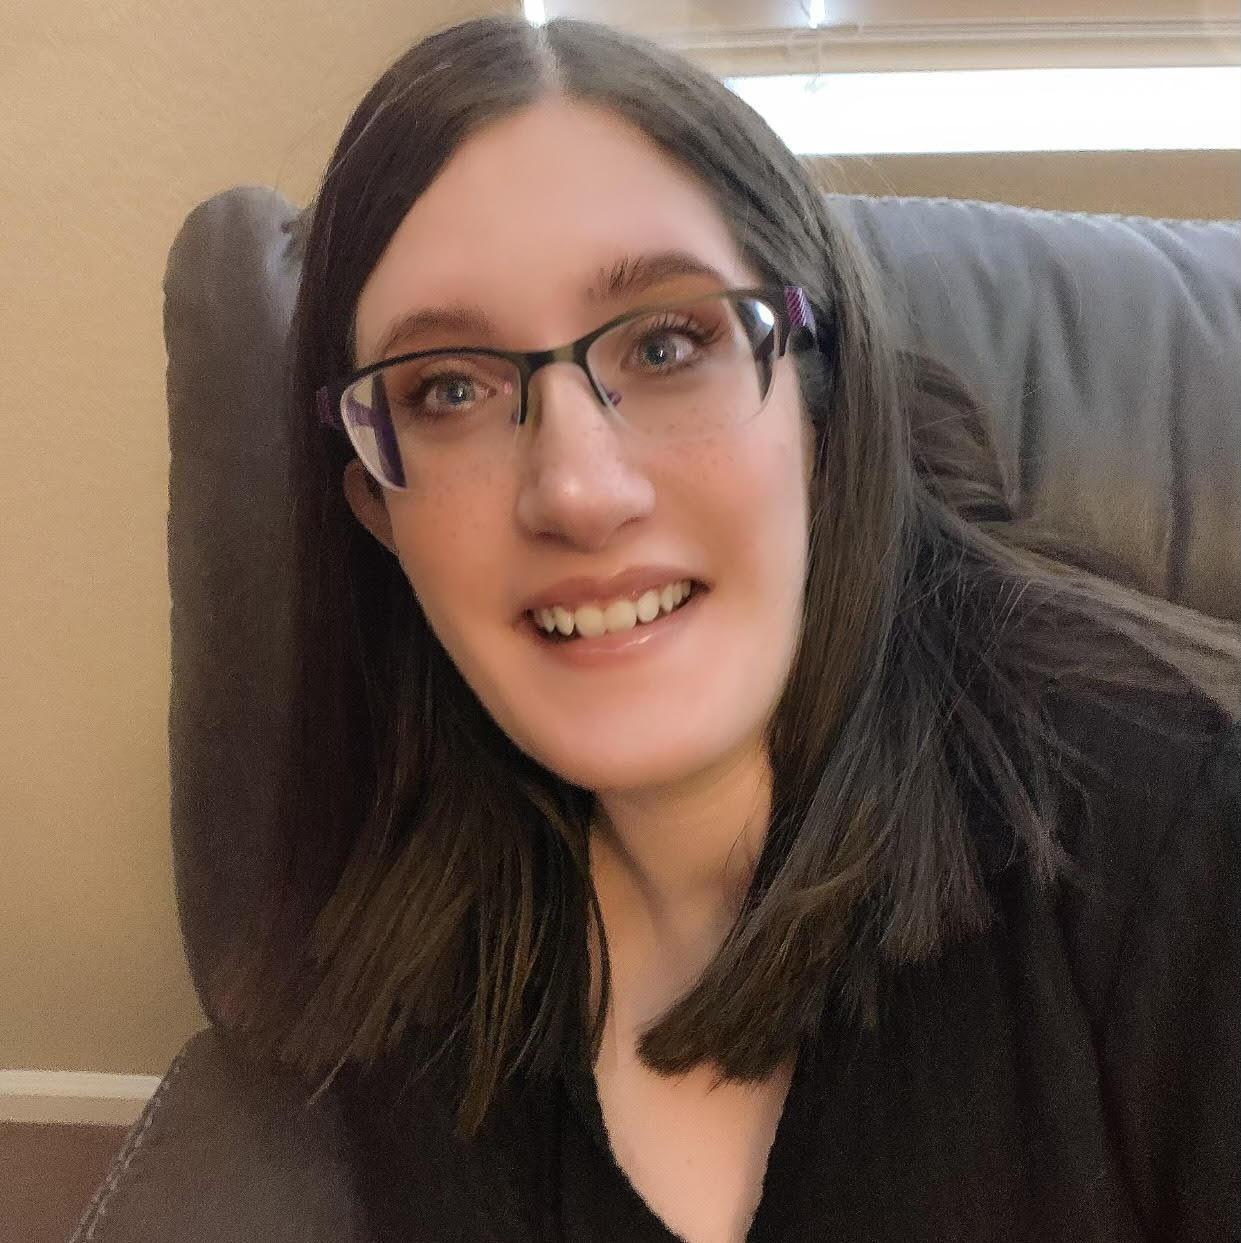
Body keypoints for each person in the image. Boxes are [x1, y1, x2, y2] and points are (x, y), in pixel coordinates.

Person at [209, 15, 1241, 1243]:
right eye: (449, 389)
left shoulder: (1184, 851)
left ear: (820, 398)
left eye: (666, 343)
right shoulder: (406, 970)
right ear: (378, 513)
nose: (577, 490)